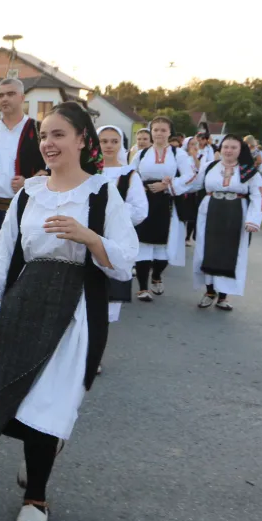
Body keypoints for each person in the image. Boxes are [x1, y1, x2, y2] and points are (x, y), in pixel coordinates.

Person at [0, 102, 138, 521]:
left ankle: (36, 495)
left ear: (82, 139)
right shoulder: (29, 194)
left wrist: (89, 237)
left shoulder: (102, 194)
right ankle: (43, 447)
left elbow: (124, 262)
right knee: (1, 391)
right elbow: (3, 253)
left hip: (75, 311)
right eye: (44, 135)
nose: (48, 143)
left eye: (59, 134)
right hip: (26, 303)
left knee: (49, 402)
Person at [0, 78, 48, 329]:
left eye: (10, 94)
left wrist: (30, 182)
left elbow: (53, 169)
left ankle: (21, 331)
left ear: (22, 98)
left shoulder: (39, 130)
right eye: (1, 95)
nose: (5, 99)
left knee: (25, 272)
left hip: (28, 214)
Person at [187, 135, 262, 311]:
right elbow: (193, 184)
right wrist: (170, 186)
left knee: (230, 252)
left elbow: (259, 195)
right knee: (206, 250)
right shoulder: (209, 167)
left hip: (236, 213)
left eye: (233, 147)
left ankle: (223, 296)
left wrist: (253, 220)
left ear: (240, 150)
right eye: (226, 147)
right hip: (210, 211)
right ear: (220, 149)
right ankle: (209, 291)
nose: (228, 150)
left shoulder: (248, 171)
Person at [97, 126, 147, 373]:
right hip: (86, 240)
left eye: (114, 141)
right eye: (104, 141)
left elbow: (140, 210)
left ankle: (95, 356)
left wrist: (113, 213)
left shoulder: (129, 175)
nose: (108, 145)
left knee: (107, 303)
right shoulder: (87, 172)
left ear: (121, 144)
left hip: (115, 242)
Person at [132, 116, 195, 301]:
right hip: (145, 201)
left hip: (168, 202)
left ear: (169, 132)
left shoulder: (178, 154)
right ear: (151, 132)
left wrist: (168, 185)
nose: (159, 133)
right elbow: (130, 174)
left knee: (165, 246)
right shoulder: (142, 154)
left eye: (163, 130)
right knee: (143, 244)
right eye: (156, 130)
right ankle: (143, 288)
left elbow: (191, 175)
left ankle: (157, 275)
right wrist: (139, 187)